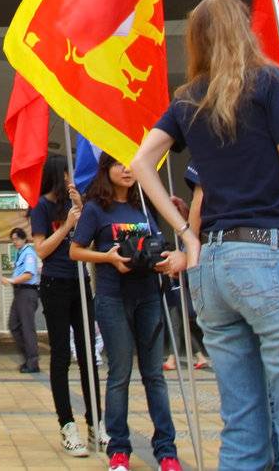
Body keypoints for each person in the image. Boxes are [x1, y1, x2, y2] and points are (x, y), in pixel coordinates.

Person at [130, 0, 279, 471]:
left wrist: (186, 233)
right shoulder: (269, 83)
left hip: (212, 268)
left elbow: (140, 161)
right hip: (271, 255)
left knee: (243, 428)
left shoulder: (186, 100)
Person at [69, 154, 182, 471]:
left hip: (148, 296)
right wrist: (110, 258)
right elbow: (76, 250)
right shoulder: (95, 208)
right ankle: (118, 450)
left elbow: (158, 243)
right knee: (119, 375)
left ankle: (167, 453)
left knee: (154, 376)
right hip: (112, 297)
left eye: (131, 163)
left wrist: (161, 258)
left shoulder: (145, 206)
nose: (127, 169)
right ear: (106, 170)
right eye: (119, 164)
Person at [29, 155, 96, 455]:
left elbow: (88, 245)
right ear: (58, 174)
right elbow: (41, 250)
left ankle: (96, 423)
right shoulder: (41, 208)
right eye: (68, 173)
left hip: (81, 284)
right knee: (61, 356)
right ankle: (67, 426)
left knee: (88, 355)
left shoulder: (76, 207)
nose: (72, 178)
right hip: (55, 284)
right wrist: (67, 224)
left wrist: (81, 212)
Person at [4, 227, 41, 374]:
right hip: (19, 293)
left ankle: (33, 362)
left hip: (27, 292)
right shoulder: (20, 254)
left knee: (27, 329)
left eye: (17, 239)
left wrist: (11, 280)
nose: (15, 242)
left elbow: (28, 274)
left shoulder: (28, 253)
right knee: (13, 325)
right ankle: (29, 358)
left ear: (24, 239)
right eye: (13, 239)